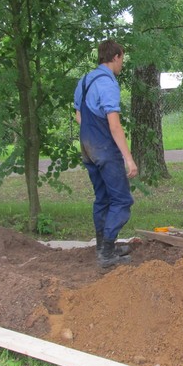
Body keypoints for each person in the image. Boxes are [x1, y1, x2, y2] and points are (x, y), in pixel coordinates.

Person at [73, 39, 138, 269]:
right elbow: (114, 125)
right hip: (104, 149)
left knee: (102, 198)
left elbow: (78, 115)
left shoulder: (85, 80)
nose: (122, 63)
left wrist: (90, 139)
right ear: (116, 56)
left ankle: (102, 246)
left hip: (87, 147)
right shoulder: (108, 84)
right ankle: (108, 252)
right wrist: (128, 158)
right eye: (122, 58)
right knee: (121, 200)